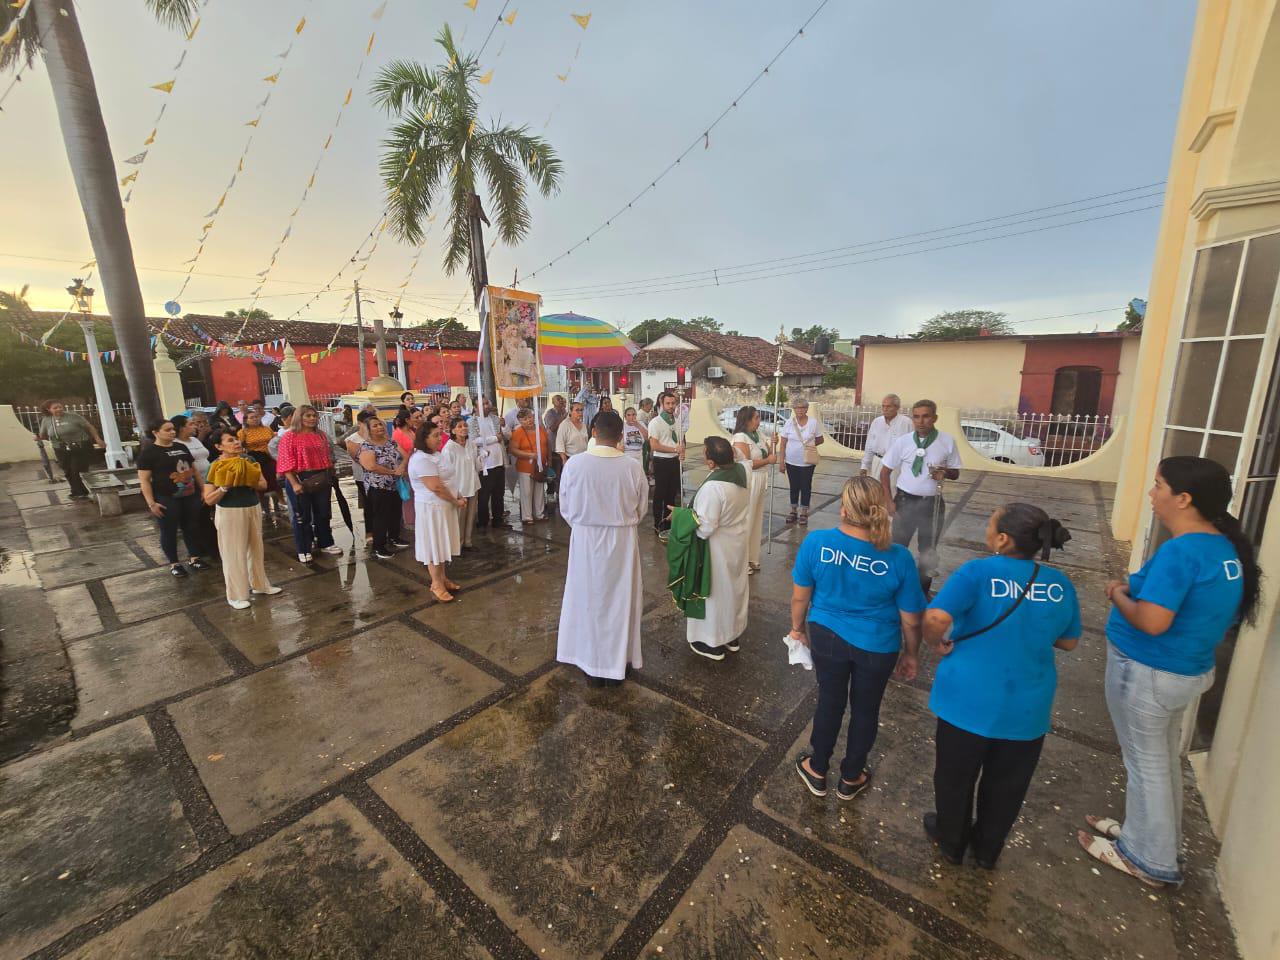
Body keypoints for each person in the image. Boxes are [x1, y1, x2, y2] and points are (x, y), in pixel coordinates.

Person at [1080, 457, 1259, 888]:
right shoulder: (1221, 547)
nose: (1152, 494)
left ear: (1184, 498)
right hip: (1182, 670)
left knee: (1146, 763)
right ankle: (1151, 837)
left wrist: (1118, 593)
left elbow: (1152, 621)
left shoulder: (1183, 551)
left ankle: (1150, 858)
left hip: (1150, 671)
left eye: (1158, 486)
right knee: (1158, 760)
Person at [922, 503, 1078, 869]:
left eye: (991, 521)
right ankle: (988, 849)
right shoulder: (1058, 584)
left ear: (1003, 539)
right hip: (1027, 705)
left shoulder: (976, 573)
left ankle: (952, 840)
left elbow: (935, 616)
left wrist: (935, 642)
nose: (987, 526)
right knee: (1008, 784)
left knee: (954, 777)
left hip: (967, 701)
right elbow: (1068, 641)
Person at [790, 476, 925, 800]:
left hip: (827, 636)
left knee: (830, 701)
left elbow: (800, 597)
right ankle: (851, 777)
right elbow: (910, 620)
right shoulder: (899, 557)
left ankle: (818, 768)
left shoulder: (816, 543)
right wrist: (911, 654)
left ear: (844, 509)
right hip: (878, 645)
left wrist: (797, 629)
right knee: (866, 709)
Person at [557, 411, 649, 686]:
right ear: (621, 436)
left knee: (588, 599)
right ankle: (618, 661)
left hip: (586, 539)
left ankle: (591, 662)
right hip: (621, 541)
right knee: (620, 602)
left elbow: (566, 506)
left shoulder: (575, 465)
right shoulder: (632, 466)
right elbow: (642, 507)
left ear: (593, 432)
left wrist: (585, 523)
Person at [671, 436, 750, 661]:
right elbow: (744, 457)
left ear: (711, 463)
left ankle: (709, 641)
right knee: (733, 591)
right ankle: (731, 636)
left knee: (714, 595)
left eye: (705, 453)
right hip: (736, 543)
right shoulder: (744, 472)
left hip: (715, 550)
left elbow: (704, 527)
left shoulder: (713, 488)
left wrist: (679, 516)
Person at [881, 399, 962, 595]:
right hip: (904, 501)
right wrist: (889, 502)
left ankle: (920, 593)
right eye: (916, 417)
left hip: (932, 505)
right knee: (897, 549)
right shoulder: (903, 441)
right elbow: (885, 472)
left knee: (928, 552)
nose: (920, 421)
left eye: (926, 416)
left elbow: (955, 473)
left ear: (934, 418)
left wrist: (945, 472)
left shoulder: (947, 441)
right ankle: (893, 590)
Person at [202, 429, 282, 610]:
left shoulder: (249, 460)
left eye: (236, 439)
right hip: (230, 512)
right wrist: (224, 487)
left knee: (256, 548)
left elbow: (263, 484)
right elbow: (208, 499)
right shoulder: (215, 466)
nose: (237, 443)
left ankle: (260, 585)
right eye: (230, 440)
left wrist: (248, 480)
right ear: (218, 446)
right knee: (233, 554)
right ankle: (236, 595)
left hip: (252, 507)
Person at [137, 420, 208, 578]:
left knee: (191, 526)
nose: (172, 432)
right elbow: (144, 480)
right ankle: (174, 563)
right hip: (167, 498)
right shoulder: (149, 453)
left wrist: (202, 489)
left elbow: (193, 470)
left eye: (173, 429)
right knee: (169, 531)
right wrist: (151, 503)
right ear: (156, 432)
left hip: (189, 495)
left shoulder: (181, 447)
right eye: (167, 430)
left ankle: (194, 557)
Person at [276, 404, 341, 564]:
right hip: (299, 478)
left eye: (314, 416)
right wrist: (294, 483)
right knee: (302, 516)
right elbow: (285, 462)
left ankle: (326, 542)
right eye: (308, 416)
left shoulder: (320, 435)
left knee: (323, 513)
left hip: (321, 477)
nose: (312, 419)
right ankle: (304, 547)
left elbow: (327, 456)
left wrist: (331, 475)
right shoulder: (289, 436)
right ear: (299, 417)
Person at [408, 420, 465, 602]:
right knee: (434, 545)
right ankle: (436, 584)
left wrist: (459, 494)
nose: (439, 439)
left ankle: (443, 578)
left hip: (445, 506)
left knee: (443, 544)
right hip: (432, 508)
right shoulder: (420, 459)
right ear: (423, 439)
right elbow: (436, 487)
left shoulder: (437, 454)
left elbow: (449, 477)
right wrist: (455, 501)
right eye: (435, 436)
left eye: (439, 435)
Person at [730, 406, 777, 574]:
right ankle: (741, 562)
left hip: (762, 478)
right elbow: (746, 463)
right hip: (750, 479)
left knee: (757, 519)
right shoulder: (740, 437)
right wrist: (768, 460)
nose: (759, 420)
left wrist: (774, 445)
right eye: (756, 417)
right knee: (747, 519)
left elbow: (771, 454)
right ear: (747, 419)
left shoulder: (760, 434)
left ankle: (752, 557)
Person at [358, 416, 409, 560]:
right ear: (368, 429)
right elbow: (371, 466)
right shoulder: (367, 446)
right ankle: (378, 546)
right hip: (378, 486)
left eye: (380, 425)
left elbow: (405, 455)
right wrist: (393, 472)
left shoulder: (391, 442)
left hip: (395, 484)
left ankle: (394, 537)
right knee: (381, 516)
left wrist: (402, 467)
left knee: (395, 512)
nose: (379, 427)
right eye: (375, 426)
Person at [35, 399, 103, 500]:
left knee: (76, 469)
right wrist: (38, 438)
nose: (59, 409)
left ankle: (83, 492)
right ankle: (76, 491)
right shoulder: (46, 420)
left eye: (60, 407)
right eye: (55, 408)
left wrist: (98, 439)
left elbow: (90, 427)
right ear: (48, 409)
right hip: (60, 448)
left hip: (80, 446)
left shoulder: (73, 416)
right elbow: (43, 435)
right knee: (67, 470)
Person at [777, 398, 824, 526]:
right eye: (797, 408)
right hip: (791, 461)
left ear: (806, 409)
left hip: (807, 462)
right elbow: (783, 444)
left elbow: (821, 439)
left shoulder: (813, 423)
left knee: (806, 486)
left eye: (802, 408)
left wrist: (810, 444)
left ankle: (804, 512)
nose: (800, 410)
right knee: (794, 486)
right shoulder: (789, 423)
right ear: (794, 410)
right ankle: (793, 511)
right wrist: (781, 462)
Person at [649, 391, 685, 543]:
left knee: (672, 494)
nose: (671, 406)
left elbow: (681, 440)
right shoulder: (655, 422)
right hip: (662, 460)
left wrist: (682, 451)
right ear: (662, 404)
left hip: (674, 460)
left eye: (673, 403)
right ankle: (658, 523)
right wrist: (674, 450)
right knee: (660, 494)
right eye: (668, 403)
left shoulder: (677, 420)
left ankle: (669, 523)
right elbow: (654, 445)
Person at [861, 394, 913, 494]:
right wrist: (864, 466)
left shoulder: (906, 423)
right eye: (883, 406)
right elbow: (869, 446)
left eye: (888, 406)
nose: (885, 409)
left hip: (896, 465)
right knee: (875, 492)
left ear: (897, 407)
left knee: (893, 492)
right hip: (877, 461)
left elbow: (911, 447)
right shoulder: (877, 422)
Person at [237, 407, 283, 519]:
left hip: (270, 457)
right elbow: (240, 446)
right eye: (251, 417)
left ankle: (278, 504)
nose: (255, 419)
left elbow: (274, 441)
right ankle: (264, 507)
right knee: (261, 484)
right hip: (255, 460)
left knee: (274, 482)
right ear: (246, 420)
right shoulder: (243, 432)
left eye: (256, 417)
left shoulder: (266, 429)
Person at [469, 396, 508, 529]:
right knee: (484, 495)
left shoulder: (495, 419)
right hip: (485, 464)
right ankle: (483, 522)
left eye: (487, 403)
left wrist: (504, 426)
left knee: (499, 493)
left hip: (499, 461)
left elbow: (505, 436)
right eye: (483, 404)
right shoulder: (472, 421)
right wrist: (494, 438)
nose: (487, 406)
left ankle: (498, 519)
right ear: (475, 407)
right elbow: (474, 440)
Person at [443, 416, 481, 548]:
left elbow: (476, 465)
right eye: (459, 426)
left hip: (473, 484)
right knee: (459, 518)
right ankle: (457, 545)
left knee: (471, 515)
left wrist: (482, 458)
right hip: (459, 488)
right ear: (453, 431)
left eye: (465, 425)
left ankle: (468, 541)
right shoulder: (449, 448)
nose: (463, 428)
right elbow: (446, 472)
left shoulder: (471, 444)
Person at [511, 407, 550, 524]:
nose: (528, 420)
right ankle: (527, 516)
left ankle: (539, 513)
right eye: (524, 419)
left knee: (539, 490)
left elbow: (547, 444)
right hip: (525, 466)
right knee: (527, 491)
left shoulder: (540, 429)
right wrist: (529, 455)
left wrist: (548, 460)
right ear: (520, 421)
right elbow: (513, 450)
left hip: (540, 465)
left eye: (529, 417)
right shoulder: (518, 432)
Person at [393, 408, 424, 530]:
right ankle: (410, 522)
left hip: (416, 464)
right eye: (412, 418)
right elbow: (400, 452)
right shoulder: (398, 433)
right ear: (406, 419)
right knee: (409, 496)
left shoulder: (411, 431)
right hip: (406, 466)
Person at [544, 394, 567, 499]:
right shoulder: (550, 413)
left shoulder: (566, 413)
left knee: (563, 473)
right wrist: (562, 418)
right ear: (553, 402)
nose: (561, 401)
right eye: (558, 399)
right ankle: (550, 494)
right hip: (553, 448)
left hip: (564, 447)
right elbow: (552, 428)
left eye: (562, 399)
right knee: (553, 473)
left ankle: (560, 494)